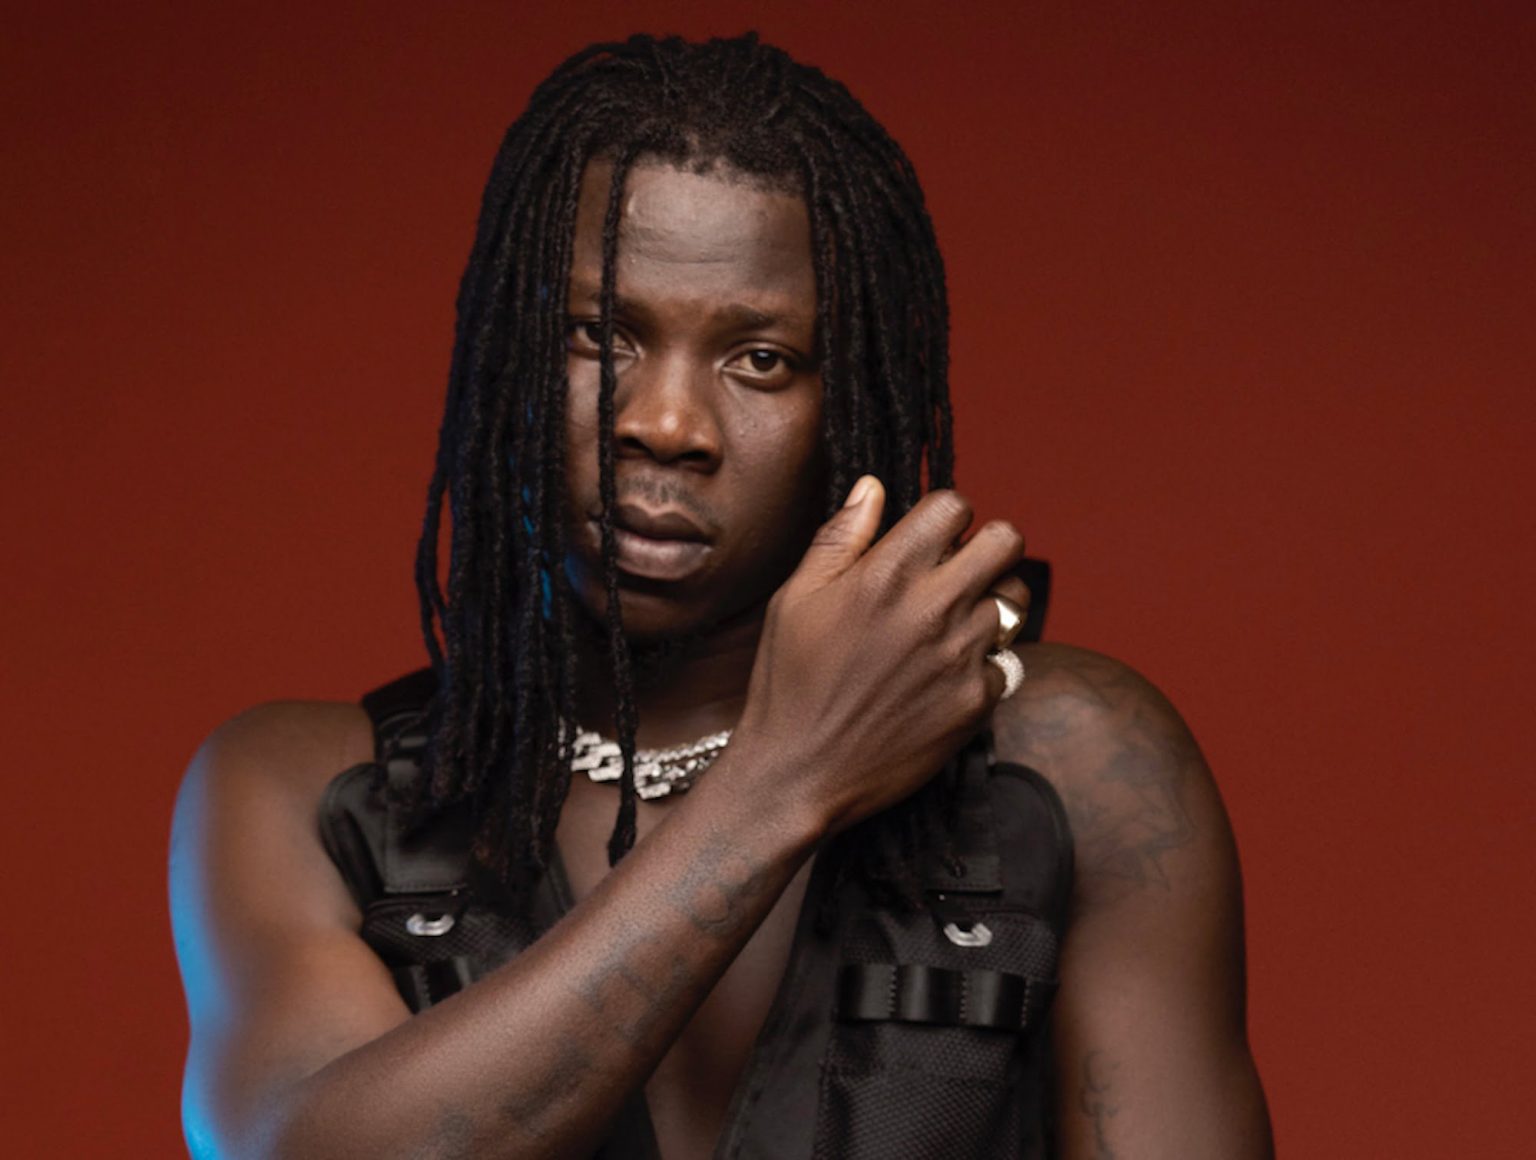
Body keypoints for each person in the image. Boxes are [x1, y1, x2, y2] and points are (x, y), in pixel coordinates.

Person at [170, 33, 1273, 1160]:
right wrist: (788, 775)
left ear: (853, 400)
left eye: (761, 359)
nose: (667, 424)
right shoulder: (300, 789)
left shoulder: (1080, 762)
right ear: (506, 354)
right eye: (601, 336)